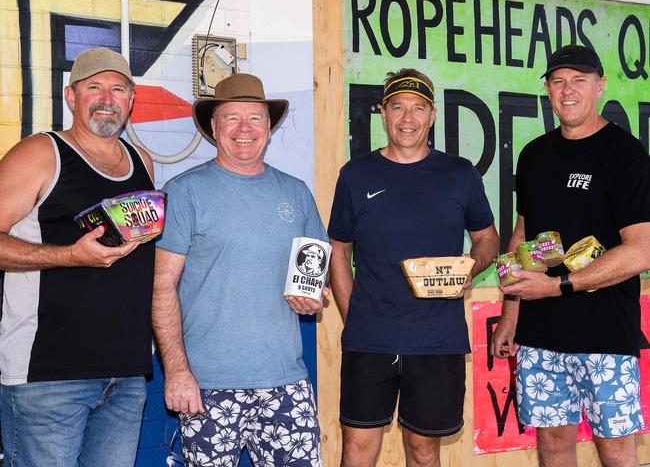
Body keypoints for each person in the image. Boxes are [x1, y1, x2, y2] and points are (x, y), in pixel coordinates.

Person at [152, 73, 327, 466]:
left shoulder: (296, 192)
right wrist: (177, 371)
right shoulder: (185, 191)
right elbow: (162, 286)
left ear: (269, 126)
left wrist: (314, 297)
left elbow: (315, 275)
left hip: (286, 380)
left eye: (255, 118)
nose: (244, 129)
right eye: (231, 118)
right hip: (208, 385)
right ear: (214, 128)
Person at [328, 68, 499, 467]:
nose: (408, 118)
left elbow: (487, 238)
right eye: (398, 108)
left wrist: (467, 269)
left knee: (424, 451)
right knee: (356, 450)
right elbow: (339, 250)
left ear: (433, 114)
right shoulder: (355, 175)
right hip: (370, 340)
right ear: (383, 114)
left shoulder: (460, 174)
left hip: (437, 340)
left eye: (418, 108)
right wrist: (355, 318)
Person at [491, 45, 650, 467]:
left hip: (607, 336)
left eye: (579, 80)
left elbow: (641, 251)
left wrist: (557, 285)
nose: (568, 90)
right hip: (540, 336)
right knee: (552, 446)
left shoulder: (625, 154)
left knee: (616, 450)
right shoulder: (534, 155)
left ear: (600, 86)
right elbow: (522, 235)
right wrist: (510, 314)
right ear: (546, 90)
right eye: (558, 81)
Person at [0, 47, 155, 466]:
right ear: (71, 97)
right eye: (94, 88)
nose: (107, 99)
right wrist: (70, 256)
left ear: (131, 99)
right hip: (48, 376)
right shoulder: (39, 153)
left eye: (118, 89)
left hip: (125, 373)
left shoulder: (141, 161)